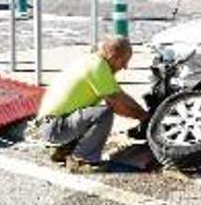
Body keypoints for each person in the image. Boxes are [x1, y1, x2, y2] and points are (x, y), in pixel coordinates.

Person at [36, 35, 150, 173]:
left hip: (52, 123)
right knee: (104, 113)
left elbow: (120, 95)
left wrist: (144, 114)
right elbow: (116, 104)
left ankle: (65, 150)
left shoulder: (92, 61)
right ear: (113, 56)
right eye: (124, 61)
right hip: (54, 127)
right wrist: (143, 118)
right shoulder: (97, 67)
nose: (125, 67)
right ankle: (81, 160)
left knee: (93, 113)